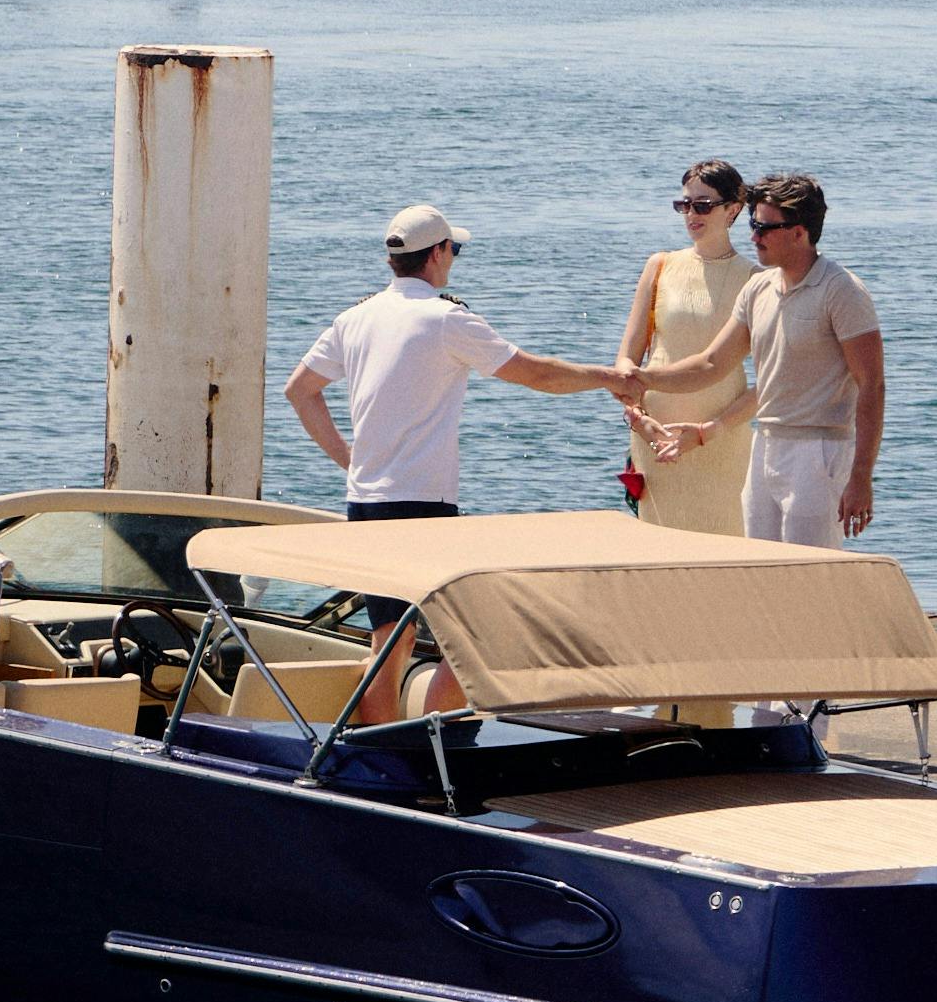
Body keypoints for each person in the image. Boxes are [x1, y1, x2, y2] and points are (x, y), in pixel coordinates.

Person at [285, 201, 631, 720]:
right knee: (466, 644)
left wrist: (348, 459)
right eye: (455, 249)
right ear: (439, 254)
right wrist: (606, 376)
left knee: (389, 641)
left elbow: (300, 391)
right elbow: (536, 374)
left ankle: (384, 754)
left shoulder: (354, 318)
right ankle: (435, 741)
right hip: (422, 504)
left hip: (365, 502)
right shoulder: (446, 319)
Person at [627, 171, 882, 548]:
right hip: (764, 445)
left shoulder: (841, 291)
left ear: (799, 233)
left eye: (765, 227)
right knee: (762, 564)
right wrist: (638, 379)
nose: (753, 236)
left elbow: (872, 386)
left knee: (807, 571)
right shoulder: (758, 288)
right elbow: (710, 363)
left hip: (819, 451)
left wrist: (861, 475)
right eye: (753, 224)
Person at [614, 158, 758, 534]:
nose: (691, 214)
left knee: (723, 550)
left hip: (720, 440)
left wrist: (712, 430)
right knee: (659, 551)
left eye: (703, 205)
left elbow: (771, 379)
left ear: (733, 209)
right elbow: (627, 361)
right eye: (685, 205)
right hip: (655, 438)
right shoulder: (659, 266)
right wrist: (638, 418)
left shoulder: (756, 280)